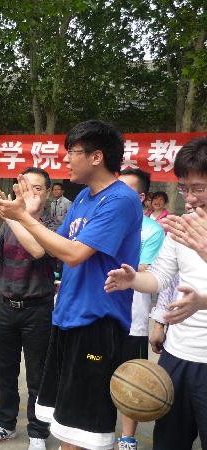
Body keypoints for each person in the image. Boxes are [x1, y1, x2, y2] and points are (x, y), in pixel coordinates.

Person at [0, 120, 142, 450]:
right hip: (67, 315)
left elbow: (73, 254)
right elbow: (47, 246)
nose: (66, 159)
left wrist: (21, 216)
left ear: (96, 156)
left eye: (72, 151)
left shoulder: (120, 200)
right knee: (66, 424)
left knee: (83, 429)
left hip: (96, 321)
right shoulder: (84, 197)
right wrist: (18, 215)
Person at [105, 137, 207, 450]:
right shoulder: (181, 227)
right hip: (177, 356)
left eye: (198, 188)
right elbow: (160, 277)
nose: (190, 198)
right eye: (184, 188)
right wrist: (134, 279)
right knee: (168, 442)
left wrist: (202, 301)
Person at [0, 167, 57, 450]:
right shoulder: (7, 223)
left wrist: (13, 216)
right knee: (6, 372)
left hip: (38, 310)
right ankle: (5, 423)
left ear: (47, 193)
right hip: (6, 308)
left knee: (37, 375)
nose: (31, 193)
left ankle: (38, 431)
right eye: (25, 187)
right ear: (16, 190)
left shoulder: (52, 225)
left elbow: (37, 250)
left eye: (38, 188)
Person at [116, 168, 166, 450]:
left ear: (141, 197)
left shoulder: (152, 230)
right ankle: (98, 431)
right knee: (96, 375)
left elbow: (143, 269)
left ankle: (127, 438)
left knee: (132, 380)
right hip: (99, 315)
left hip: (132, 318)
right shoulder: (104, 220)